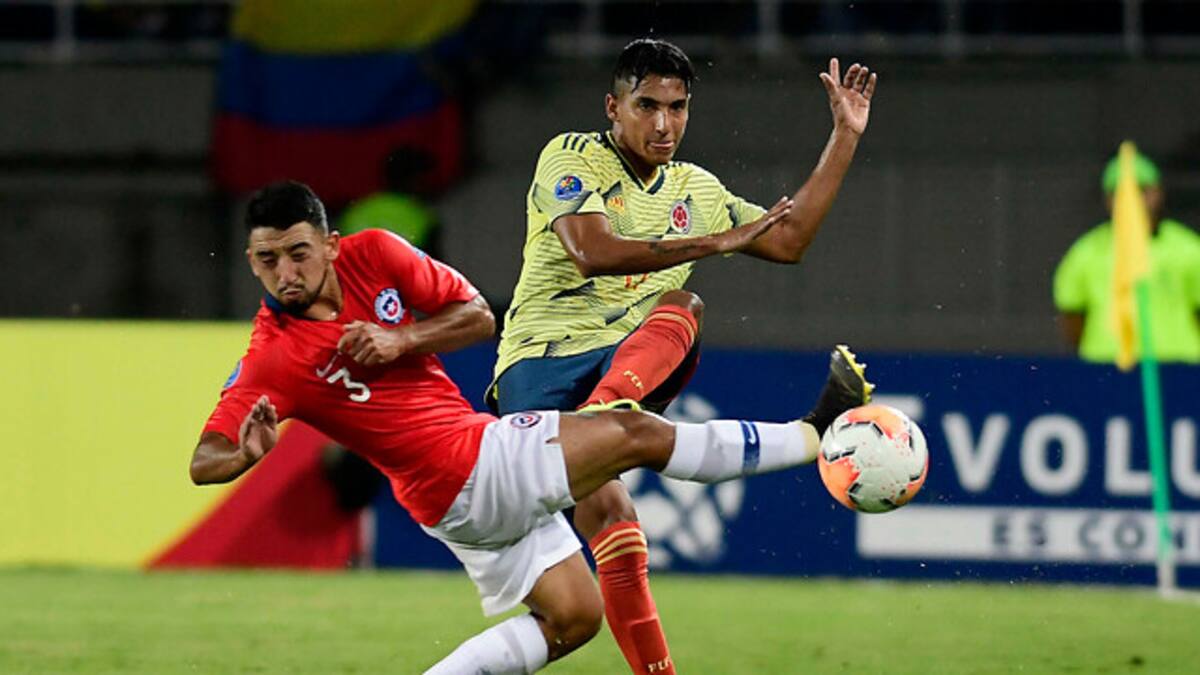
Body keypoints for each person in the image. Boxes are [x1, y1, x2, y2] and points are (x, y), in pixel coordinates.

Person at [190, 181, 873, 674]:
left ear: (331, 245)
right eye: (266, 260)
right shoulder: (271, 355)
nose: (284, 272)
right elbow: (205, 458)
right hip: (469, 468)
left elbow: (479, 317)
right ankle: (814, 433)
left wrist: (402, 341)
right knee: (630, 433)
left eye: (298, 253)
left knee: (574, 618)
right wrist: (243, 453)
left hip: (457, 491)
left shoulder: (377, 253)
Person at [490, 38, 877, 673]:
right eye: (647, 106)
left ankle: (610, 411)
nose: (664, 124)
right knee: (682, 307)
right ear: (612, 107)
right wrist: (717, 240)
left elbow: (789, 241)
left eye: (678, 107)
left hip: (617, 367)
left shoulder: (694, 188)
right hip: (540, 363)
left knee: (619, 516)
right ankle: (611, 412)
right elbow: (594, 251)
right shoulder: (572, 156)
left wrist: (844, 136)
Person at [1053, 150, 1200, 363]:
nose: (1132, 199)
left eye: (1142, 189)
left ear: (1158, 193)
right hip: (1106, 366)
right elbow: (1072, 318)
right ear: (1108, 199)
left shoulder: (1189, 248)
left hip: (1179, 367)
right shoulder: (1086, 252)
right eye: (1120, 191)